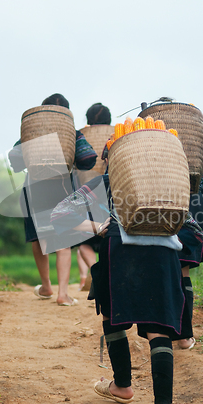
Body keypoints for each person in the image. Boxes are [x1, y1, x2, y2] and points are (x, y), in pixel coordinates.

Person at [50, 157, 203, 404]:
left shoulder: (108, 182)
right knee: (159, 327)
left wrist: (97, 227)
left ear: (114, 159)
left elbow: (59, 215)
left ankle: (122, 386)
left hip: (119, 252)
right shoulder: (167, 185)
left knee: (113, 315)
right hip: (163, 256)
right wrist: (166, 237)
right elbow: (195, 231)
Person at [8, 93, 97, 306]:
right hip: (62, 188)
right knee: (63, 240)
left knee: (38, 238)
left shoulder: (31, 134)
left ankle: (46, 286)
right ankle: (62, 294)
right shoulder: (72, 133)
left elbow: (15, 159)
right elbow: (87, 159)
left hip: (33, 190)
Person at [178, 162, 203, 348]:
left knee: (164, 268)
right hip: (192, 206)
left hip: (156, 206)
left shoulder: (152, 145)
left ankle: (162, 335)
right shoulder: (193, 151)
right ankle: (184, 338)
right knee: (183, 271)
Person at [77, 103, 112, 290]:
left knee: (84, 241)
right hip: (112, 193)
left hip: (87, 195)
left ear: (88, 119)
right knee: (110, 236)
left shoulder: (81, 135)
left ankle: (93, 269)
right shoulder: (117, 134)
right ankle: (107, 273)